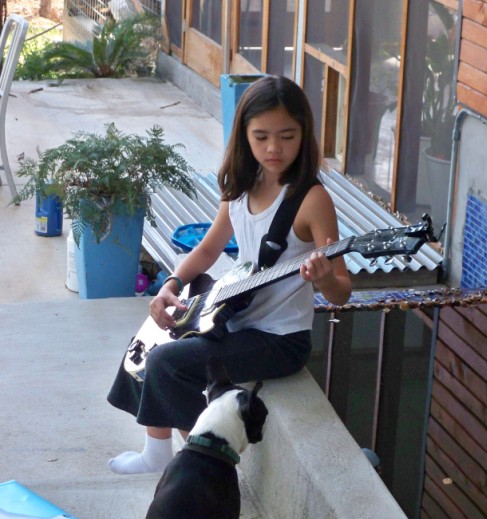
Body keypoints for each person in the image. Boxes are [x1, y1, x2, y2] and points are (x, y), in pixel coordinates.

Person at [107, 75, 352, 474]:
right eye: (261, 137)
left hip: (279, 338)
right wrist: (170, 285)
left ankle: (199, 465)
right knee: (152, 337)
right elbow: (207, 250)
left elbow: (341, 290)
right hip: (235, 315)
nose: (274, 148)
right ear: (243, 136)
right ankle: (157, 453)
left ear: (304, 135)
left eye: (287, 136)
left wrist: (323, 279)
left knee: (168, 362)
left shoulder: (311, 199)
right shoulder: (240, 186)